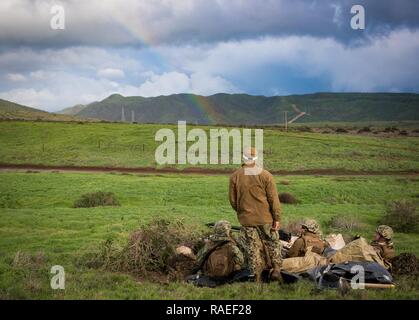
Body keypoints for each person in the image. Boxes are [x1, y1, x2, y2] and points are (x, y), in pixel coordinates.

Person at [229, 147, 282, 282]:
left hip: (247, 219)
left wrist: (242, 212)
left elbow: (233, 200)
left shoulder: (235, 176)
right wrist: (276, 218)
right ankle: (276, 269)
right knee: (273, 242)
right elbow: (273, 199)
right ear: (256, 158)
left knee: (252, 247)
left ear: (243, 158)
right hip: (265, 218)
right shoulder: (266, 175)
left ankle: (257, 276)